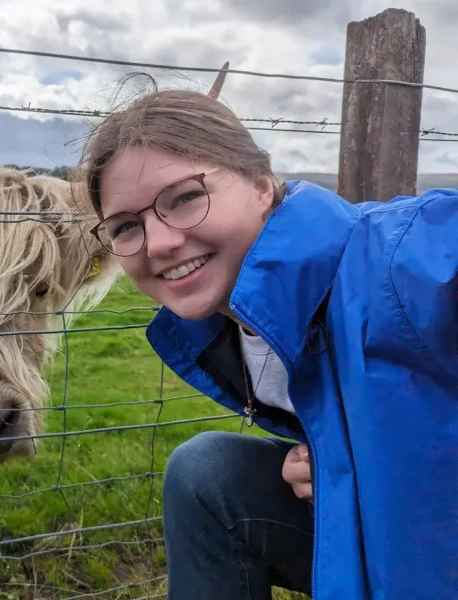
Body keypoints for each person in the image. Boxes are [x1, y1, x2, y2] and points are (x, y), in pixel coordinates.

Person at [74, 63, 456, 599]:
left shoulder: (404, 260)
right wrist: (335, 464)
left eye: (184, 197)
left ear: (260, 184)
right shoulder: (237, 333)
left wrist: (385, 465)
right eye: (125, 227)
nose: (157, 243)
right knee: (207, 473)